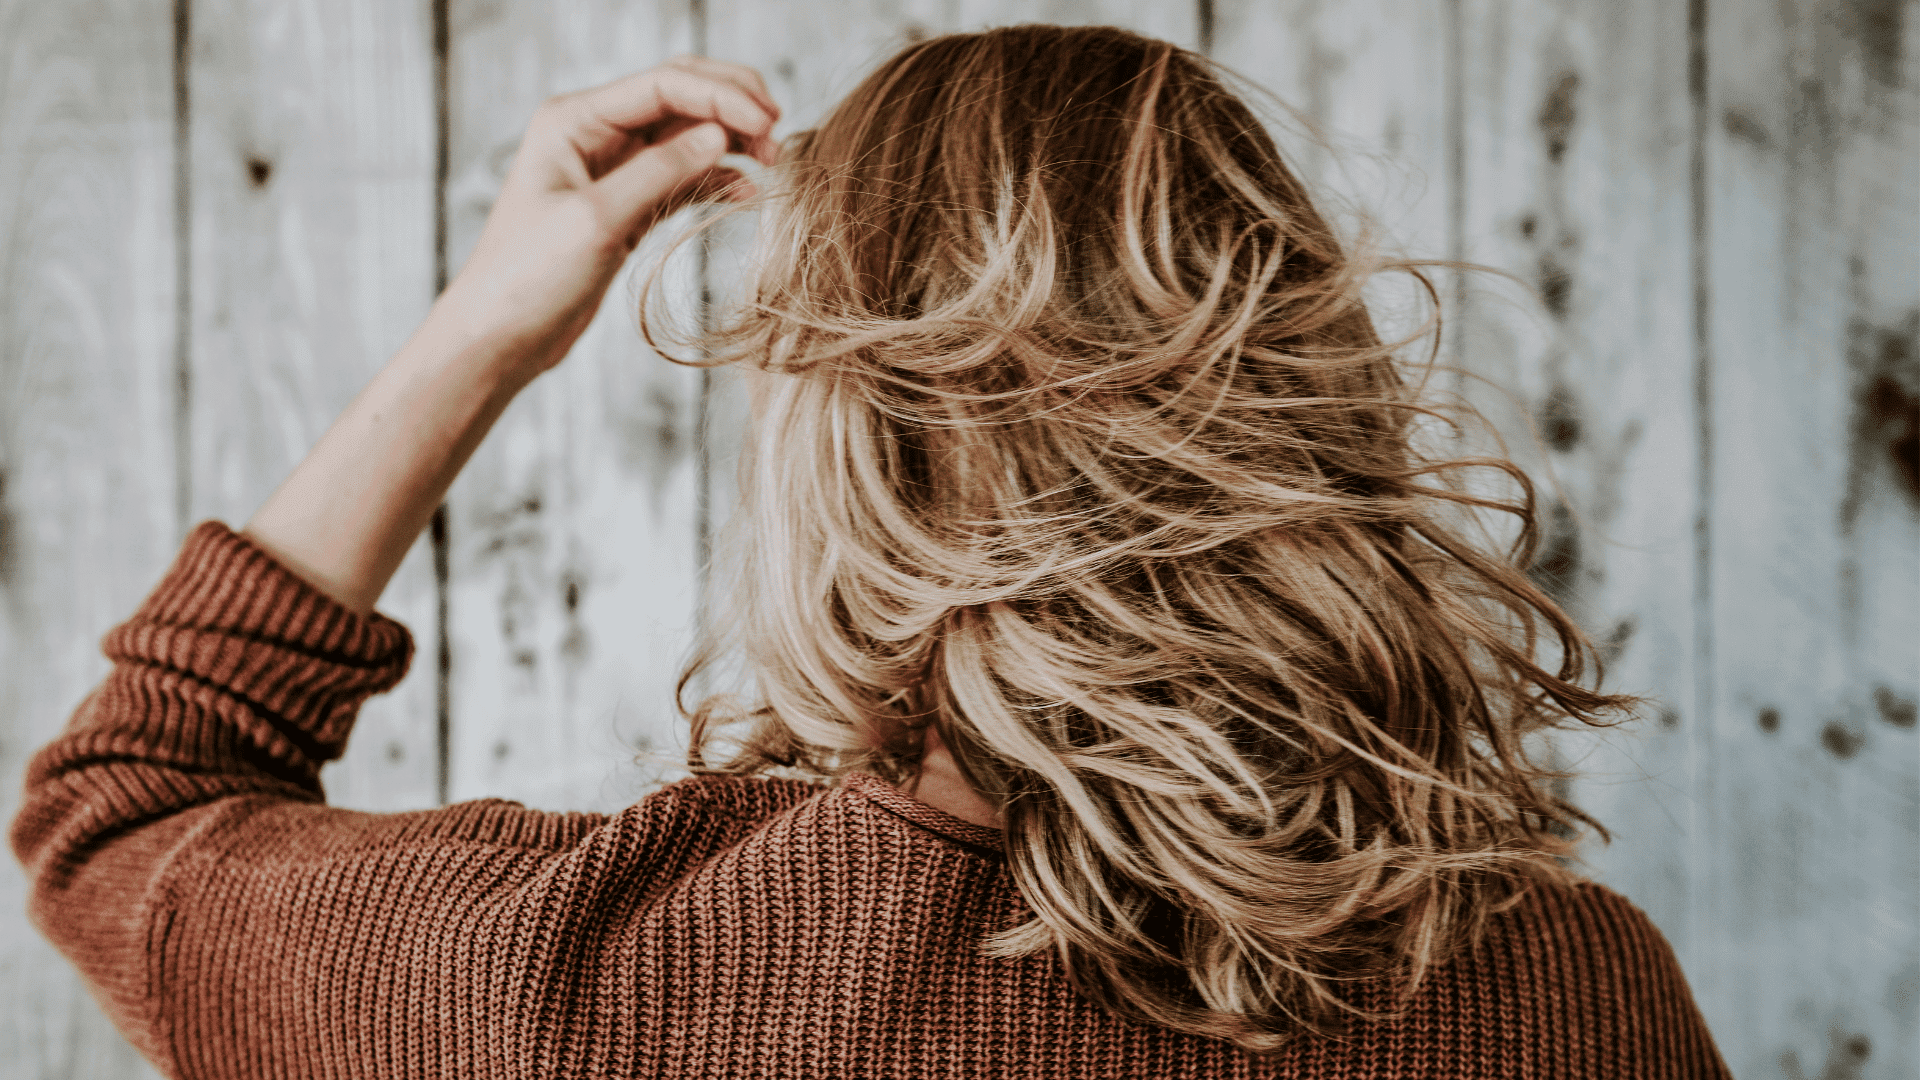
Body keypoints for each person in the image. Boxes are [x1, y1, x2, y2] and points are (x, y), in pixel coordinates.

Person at [12, 25, 1730, 1079]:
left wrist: (486, 329)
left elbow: (124, 806)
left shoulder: (554, 981)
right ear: (1312, 413)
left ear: (847, 456)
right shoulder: (1571, 1003)